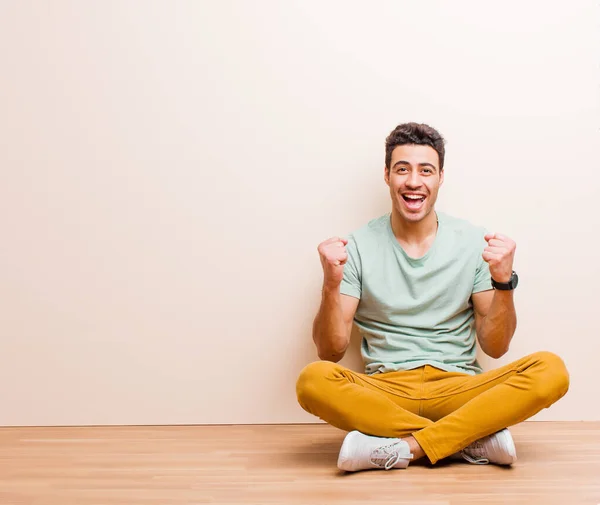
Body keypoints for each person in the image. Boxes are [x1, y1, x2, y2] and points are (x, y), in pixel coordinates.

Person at [296, 122, 570, 472]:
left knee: (551, 370)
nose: (413, 181)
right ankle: (467, 440)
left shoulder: (473, 241)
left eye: (425, 170)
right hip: (386, 390)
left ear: (440, 177)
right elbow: (330, 350)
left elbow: (495, 347)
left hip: (458, 388)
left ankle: (405, 448)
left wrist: (503, 283)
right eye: (402, 169)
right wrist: (331, 284)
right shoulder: (358, 246)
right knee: (312, 381)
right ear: (387, 176)